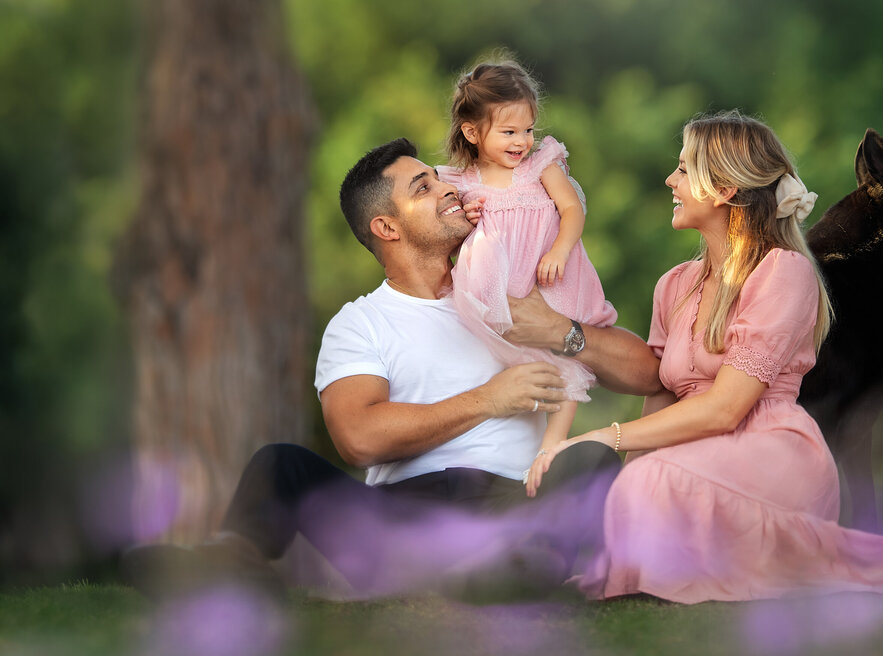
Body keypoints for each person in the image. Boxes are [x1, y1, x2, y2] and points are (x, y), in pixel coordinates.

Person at [120, 136, 659, 601]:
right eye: (422, 189)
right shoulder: (360, 325)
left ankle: (509, 568)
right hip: (399, 518)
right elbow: (357, 438)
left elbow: (647, 374)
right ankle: (229, 563)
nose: (449, 188)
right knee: (280, 463)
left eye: (438, 179)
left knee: (589, 457)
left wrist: (561, 332)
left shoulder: (514, 293)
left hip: (512, 504)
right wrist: (489, 399)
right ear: (386, 226)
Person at [519, 112, 883, 604]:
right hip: (697, 450)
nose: (671, 180)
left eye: (685, 169)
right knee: (637, 482)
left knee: (649, 482)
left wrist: (604, 437)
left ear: (727, 188)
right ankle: (545, 563)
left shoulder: (785, 271)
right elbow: (663, 395)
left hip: (772, 448)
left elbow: (727, 408)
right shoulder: (674, 284)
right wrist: (626, 462)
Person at [437, 60, 617, 498]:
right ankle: (491, 452)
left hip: (548, 278)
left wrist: (559, 250)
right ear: (472, 132)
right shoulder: (461, 181)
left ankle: (551, 449)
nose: (522, 141)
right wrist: (465, 216)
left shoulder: (541, 165)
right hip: (495, 290)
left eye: (528, 130)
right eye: (509, 132)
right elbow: (446, 231)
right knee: (503, 366)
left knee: (565, 359)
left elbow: (573, 210)